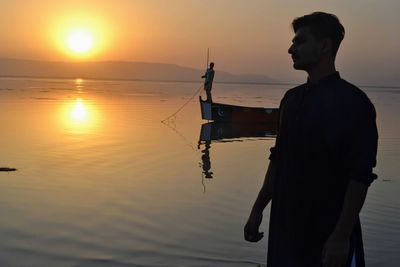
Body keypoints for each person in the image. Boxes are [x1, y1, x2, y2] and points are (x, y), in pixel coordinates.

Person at [244, 12, 378, 267]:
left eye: (300, 41)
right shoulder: (291, 100)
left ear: (325, 45)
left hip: (328, 233)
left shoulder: (355, 103)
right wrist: (257, 209)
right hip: (286, 228)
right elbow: (278, 160)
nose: (291, 49)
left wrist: (341, 236)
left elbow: (360, 176)